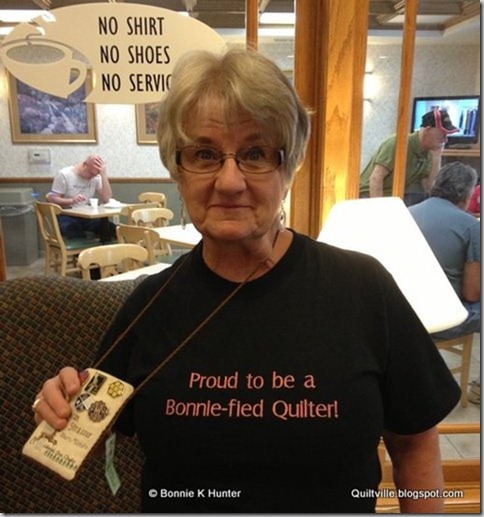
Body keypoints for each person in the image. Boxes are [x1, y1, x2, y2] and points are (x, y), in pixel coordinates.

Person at [32, 47, 460, 513]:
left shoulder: (363, 289)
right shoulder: (150, 304)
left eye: (256, 154)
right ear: (178, 170)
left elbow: (415, 443)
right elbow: (90, 426)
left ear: (289, 166)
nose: (230, 181)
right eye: (204, 154)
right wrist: (59, 404)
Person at [409, 161, 480, 403]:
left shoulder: (406, 213)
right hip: (442, 320)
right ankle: (479, 389)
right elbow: (471, 293)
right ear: (467, 194)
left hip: (403, 313)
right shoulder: (470, 225)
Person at [359, 109, 459, 206]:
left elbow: (428, 187)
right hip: (367, 194)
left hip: (393, 196)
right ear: (428, 130)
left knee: (422, 199)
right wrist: (379, 209)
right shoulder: (398, 143)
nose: (445, 140)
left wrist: (436, 157)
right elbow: (376, 178)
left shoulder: (428, 151)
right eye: (443, 135)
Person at [46, 154, 115, 239]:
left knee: (110, 228)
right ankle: (83, 247)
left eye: (95, 175)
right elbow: (52, 198)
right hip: (66, 215)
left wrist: (103, 175)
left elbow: (106, 199)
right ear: (84, 164)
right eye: (90, 173)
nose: (91, 177)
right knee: (74, 231)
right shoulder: (64, 174)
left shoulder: (95, 177)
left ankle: (107, 247)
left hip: (87, 216)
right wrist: (71, 201)